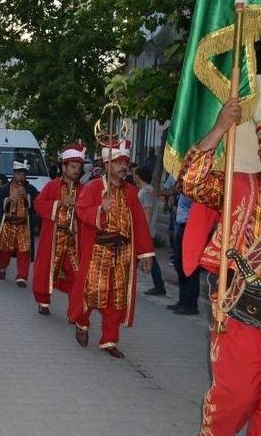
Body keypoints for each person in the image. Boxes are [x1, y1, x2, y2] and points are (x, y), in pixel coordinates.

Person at [177, 80, 261, 435]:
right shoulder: (239, 186)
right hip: (245, 313)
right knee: (235, 402)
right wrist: (219, 128)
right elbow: (191, 183)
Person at [67, 140, 154, 359]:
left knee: (118, 297)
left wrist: (146, 253)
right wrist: (99, 209)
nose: (123, 167)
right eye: (118, 163)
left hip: (124, 252)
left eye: (125, 162)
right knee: (91, 292)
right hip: (99, 250)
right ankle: (82, 322)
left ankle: (109, 339)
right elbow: (81, 211)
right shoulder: (94, 187)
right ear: (107, 164)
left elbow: (140, 224)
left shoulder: (132, 192)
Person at [32, 144, 85, 315]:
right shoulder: (51, 186)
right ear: (64, 167)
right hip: (54, 238)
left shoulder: (84, 189)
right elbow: (38, 205)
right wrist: (60, 203)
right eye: (73, 167)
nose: (76, 171)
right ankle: (43, 301)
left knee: (78, 275)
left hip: (74, 241)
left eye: (78, 167)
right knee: (47, 270)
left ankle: (75, 309)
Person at [0, 160, 37, 285]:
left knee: (24, 251)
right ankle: (2, 267)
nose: (20, 177)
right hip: (8, 224)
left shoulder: (31, 189)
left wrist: (27, 197)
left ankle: (21, 277)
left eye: (23, 175)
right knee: (5, 250)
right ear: (14, 174)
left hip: (23, 225)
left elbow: (37, 205)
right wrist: (8, 199)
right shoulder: (5, 188)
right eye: (18, 174)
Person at [133, 165, 164, 296]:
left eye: (134, 174)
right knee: (150, 259)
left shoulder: (146, 192)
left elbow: (147, 213)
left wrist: (141, 232)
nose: (133, 176)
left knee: (141, 258)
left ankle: (159, 286)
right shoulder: (146, 190)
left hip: (145, 232)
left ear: (138, 176)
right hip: (146, 232)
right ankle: (159, 285)